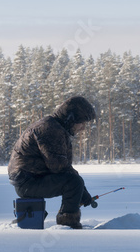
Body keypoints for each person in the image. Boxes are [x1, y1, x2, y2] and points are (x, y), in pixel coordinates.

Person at [8, 96, 97, 229]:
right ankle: (68, 224)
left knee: (75, 182)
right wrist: (80, 189)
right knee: (74, 183)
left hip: (29, 179)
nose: (83, 128)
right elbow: (58, 167)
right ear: (71, 118)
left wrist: (83, 192)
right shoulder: (50, 130)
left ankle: (68, 222)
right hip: (27, 182)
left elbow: (64, 167)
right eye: (81, 123)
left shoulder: (56, 128)